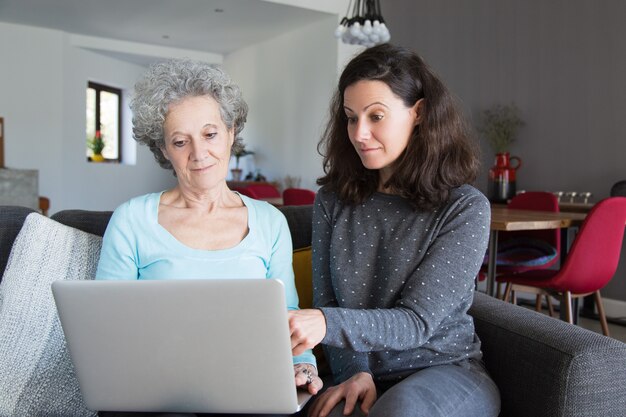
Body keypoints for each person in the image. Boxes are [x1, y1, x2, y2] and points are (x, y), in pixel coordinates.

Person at [95, 58, 321, 416]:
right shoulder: (131, 220)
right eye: (180, 141)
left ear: (231, 132)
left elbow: (288, 317)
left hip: (250, 392)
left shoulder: (270, 221)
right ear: (164, 150)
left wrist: (303, 367)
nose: (199, 154)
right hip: (156, 396)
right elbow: (104, 327)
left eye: (210, 134)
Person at [287, 44, 501, 417]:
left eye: (376, 116)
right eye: (351, 118)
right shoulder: (332, 201)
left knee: (402, 410)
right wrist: (353, 372)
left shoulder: (464, 208)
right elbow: (328, 300)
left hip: (445, 370)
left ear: (418, 113)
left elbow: (417, 322)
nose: (359, 133)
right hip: (362, 373)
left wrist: (325, 323)